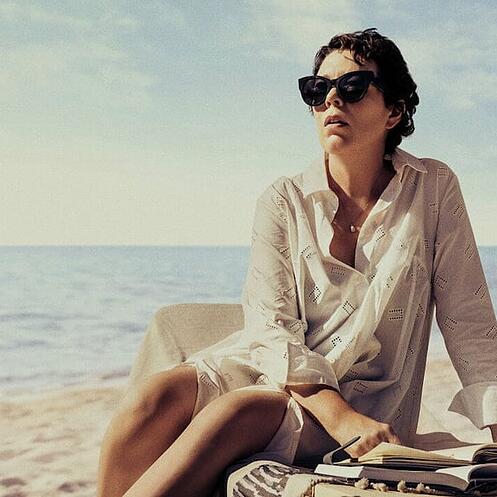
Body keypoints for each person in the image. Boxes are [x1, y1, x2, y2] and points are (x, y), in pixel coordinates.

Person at [96, 28, 497, 497]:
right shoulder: (282, 198)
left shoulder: (433, 187)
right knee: (152, 398)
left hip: (365, 400)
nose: (332, 100)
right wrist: (336, 416)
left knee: (235, 413)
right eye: (317, 89)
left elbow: (468, 320)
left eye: (352, 86)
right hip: (279, 370)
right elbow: (271, 327)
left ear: (394, 111)